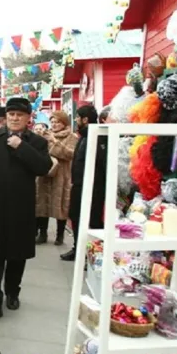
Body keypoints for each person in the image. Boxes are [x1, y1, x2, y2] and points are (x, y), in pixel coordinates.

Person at [0, 98, 52, 318]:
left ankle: (12, 293)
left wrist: (22, 147)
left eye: (19, 114)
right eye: (11, 114)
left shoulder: (37, 142)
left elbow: (43, 167)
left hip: (21, 209)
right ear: (5, 117)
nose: (15, 118)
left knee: (16, 256)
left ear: (29, 118)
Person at [63, 105, 107, 262]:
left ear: (85, 119)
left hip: (93, 188)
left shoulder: (97, 137)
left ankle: (92, 254)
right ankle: (78, 249)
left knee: (92, 222)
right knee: (76, 218)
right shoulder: (84, 137)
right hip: (79, 186)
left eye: (77, 117)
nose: (75, 120)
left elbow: (101, 165)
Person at [35, 110, 76, 246]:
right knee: (42, 203)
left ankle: (60, 235)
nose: (54, 124)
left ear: (64, 123)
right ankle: (42, 233)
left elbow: (70, 154)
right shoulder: (44, 136)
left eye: (57, 122)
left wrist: (55, 142)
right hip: (45, 174)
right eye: (52, 122)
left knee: (61, 205)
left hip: (62, 175)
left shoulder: (72, 137)